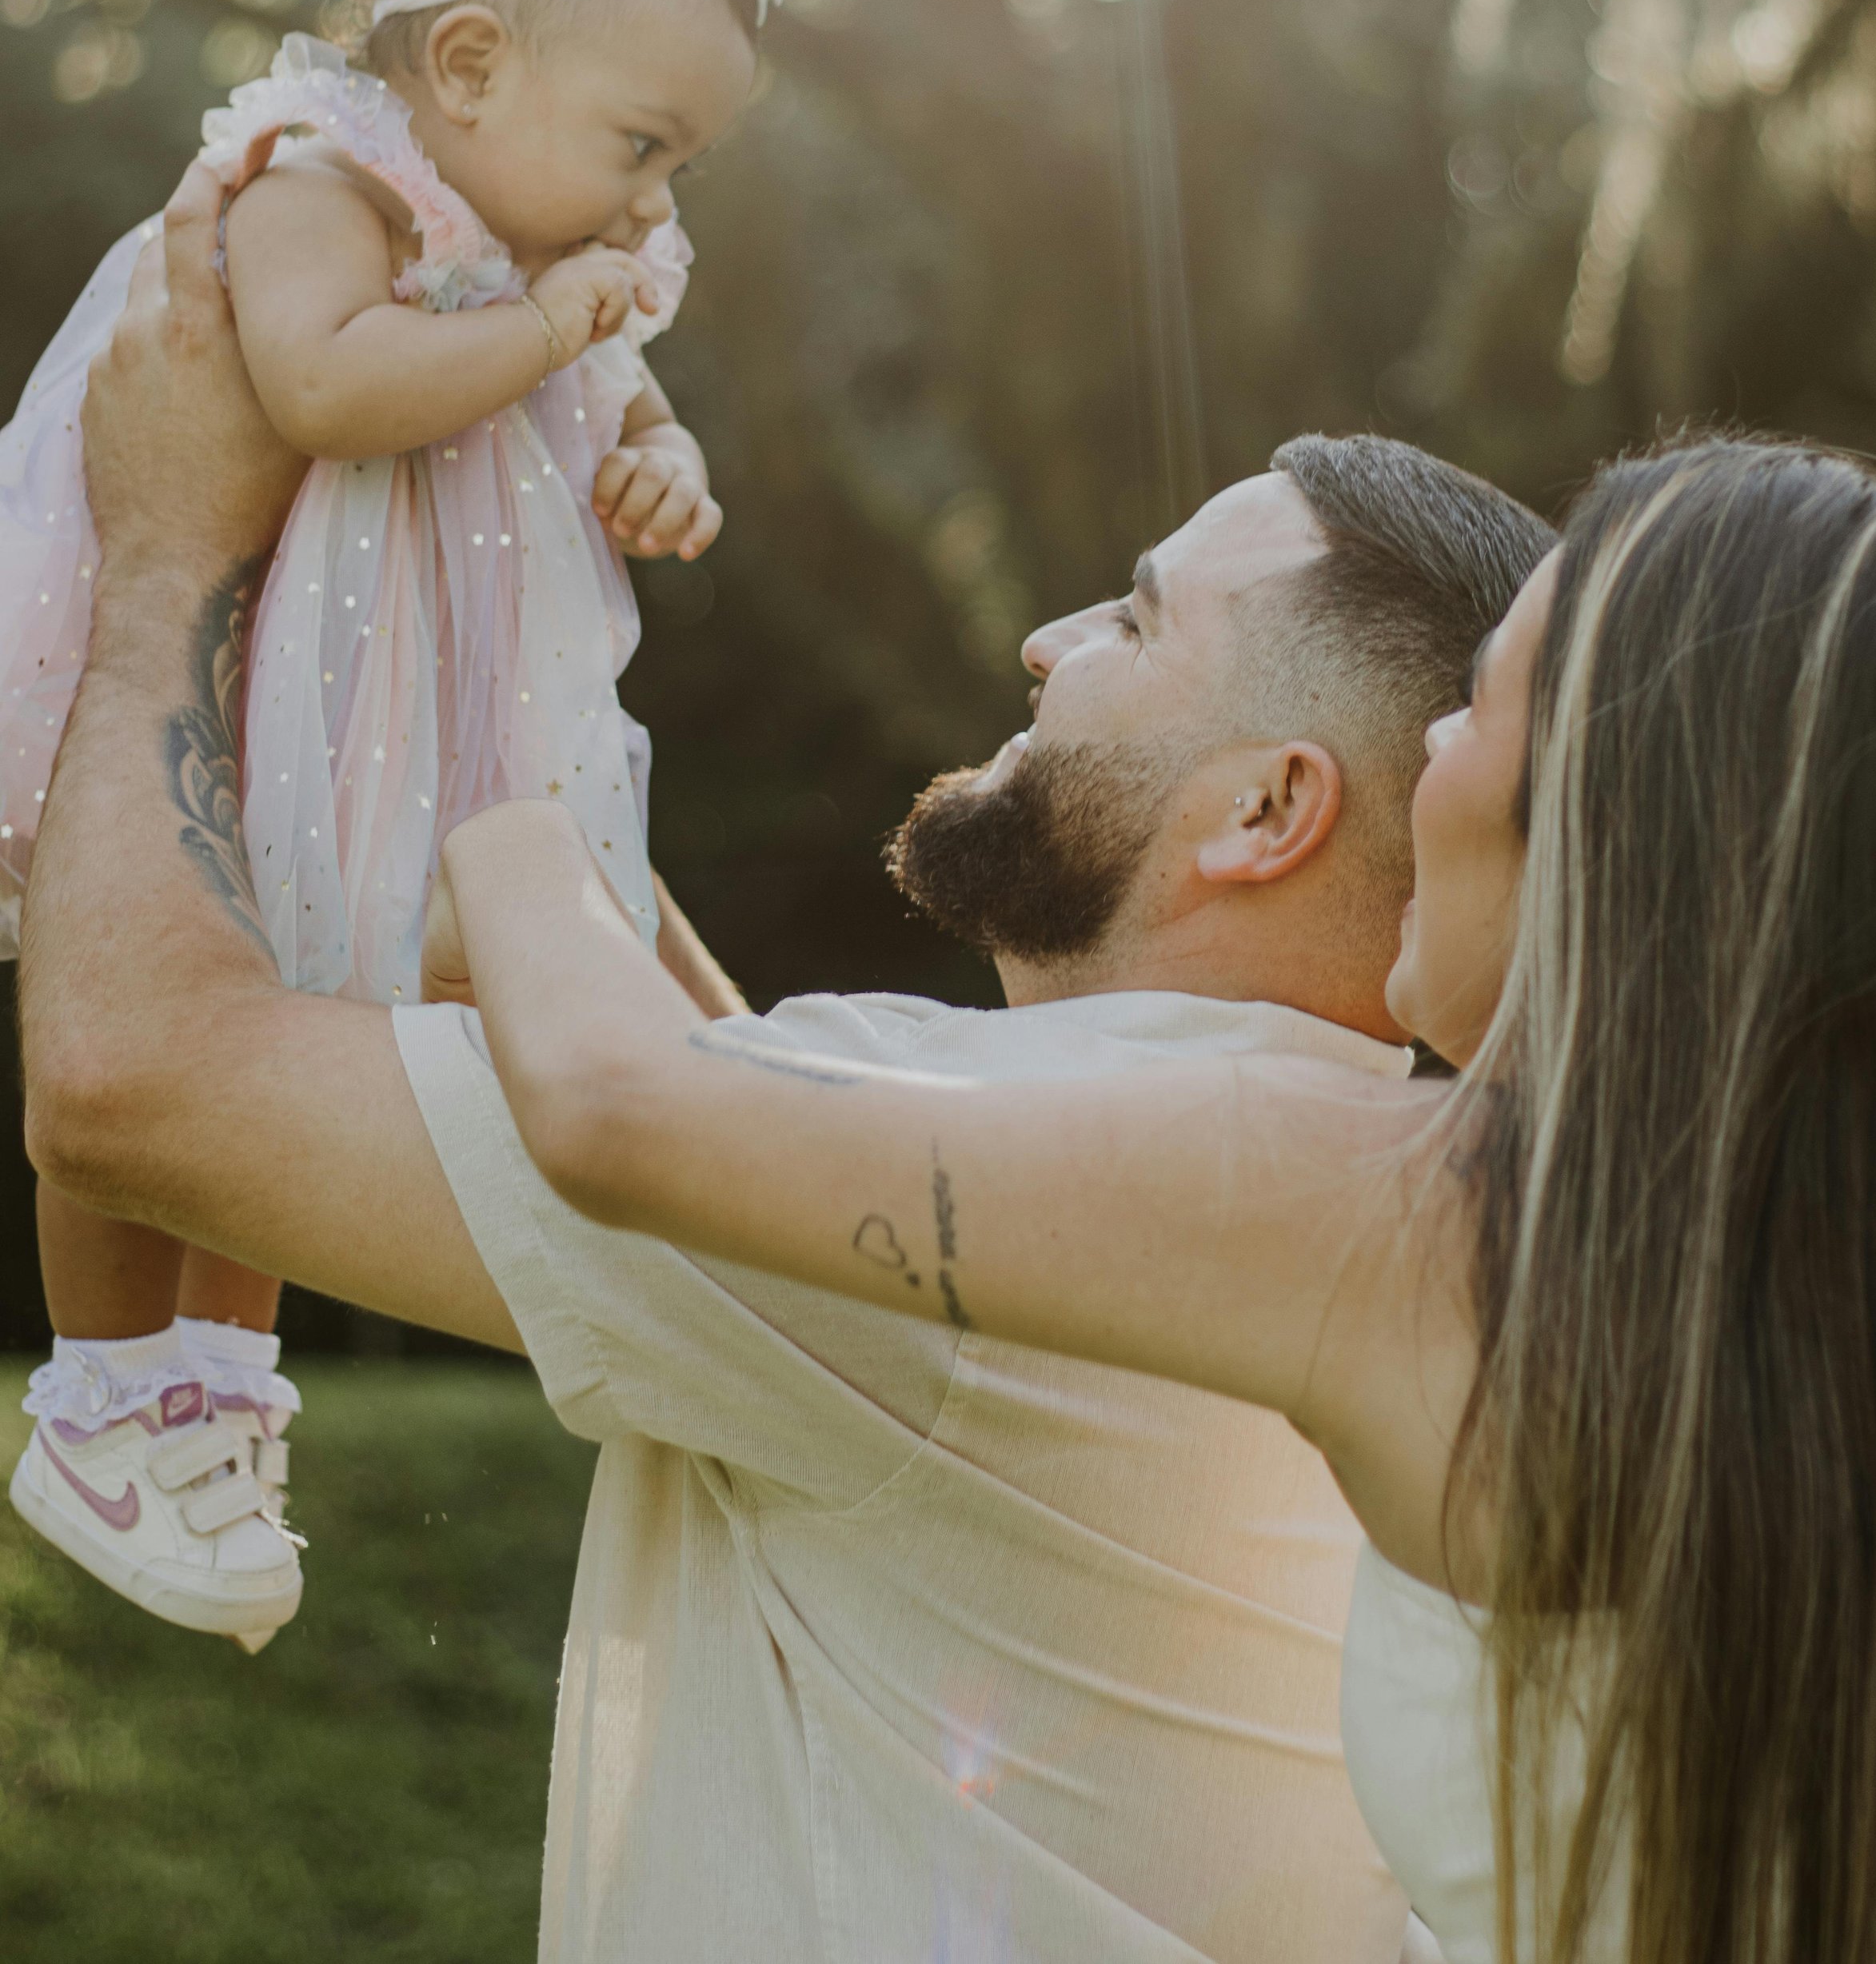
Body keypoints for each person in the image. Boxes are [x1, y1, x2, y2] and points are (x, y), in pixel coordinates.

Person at [18, 171, 1553, 1964]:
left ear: (1268, 808)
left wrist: (166, 558)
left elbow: (127, 1080)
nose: (1045, 643)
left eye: (1134, 624)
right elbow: (760, 1164)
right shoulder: (1335, 1168)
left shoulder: (1042, 1182)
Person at [421, 434, 1876, 1964]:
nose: (1427, 753)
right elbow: (781, 1118)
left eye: (1480, 718)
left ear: (1610, 827)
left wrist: (505, 773)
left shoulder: (1396, 1212)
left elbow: (622, 1109)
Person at [2, 0, 778, 1647]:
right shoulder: (315, 185)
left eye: (679, 166)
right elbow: (327, 386)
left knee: (314, 1006)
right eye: (641, 143)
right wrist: (547, 328)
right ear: (472, 62)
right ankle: (110, 1391)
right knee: (167, 982)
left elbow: (620, 393)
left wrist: (659, 453)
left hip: (391, 709)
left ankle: (219, 1388)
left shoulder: (547, 232)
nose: (655, 204)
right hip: (250, 659)